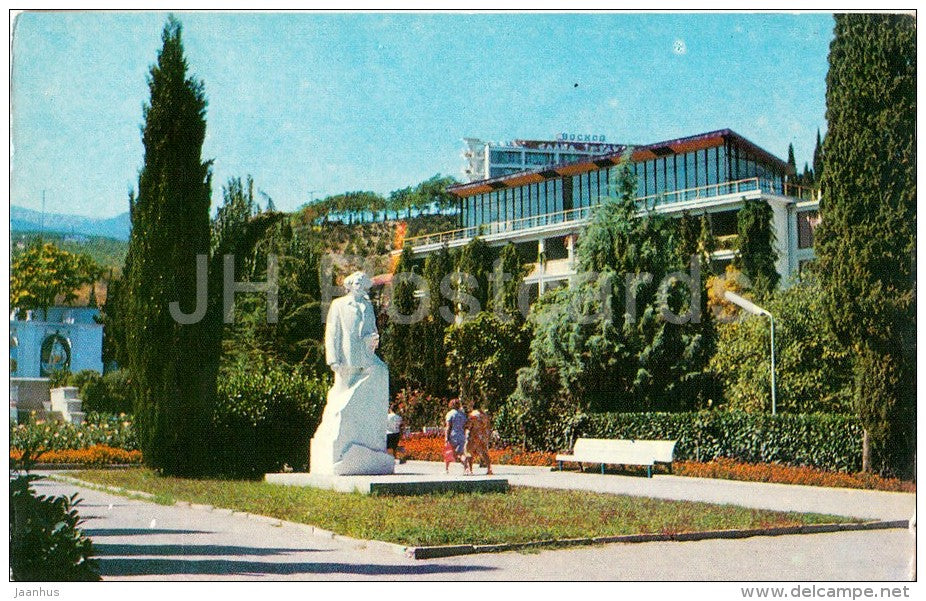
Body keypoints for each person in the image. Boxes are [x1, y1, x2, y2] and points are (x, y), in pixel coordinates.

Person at [463, 407, 493, 475]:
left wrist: (466, 430)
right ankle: (489, 469)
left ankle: (470, 470)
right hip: (483, 435)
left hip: (474, 435)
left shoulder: (473, 415)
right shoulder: (484, 415)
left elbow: (469, 425)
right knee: (484, 452)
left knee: (469, 451)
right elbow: (488, 425)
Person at [444, 399, 467, 473]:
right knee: (461, 453)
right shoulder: (462, 414)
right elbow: (465, 425)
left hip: (453, 436)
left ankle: (446, 469)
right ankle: (466, 468)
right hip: (462, 436)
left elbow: (448, 426)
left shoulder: (450, 414)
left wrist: (446, 437)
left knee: (449, 452)